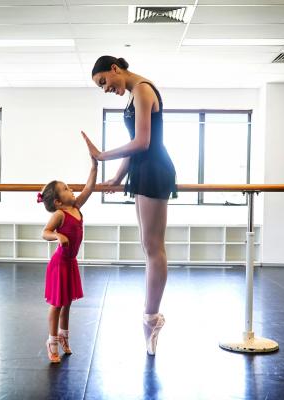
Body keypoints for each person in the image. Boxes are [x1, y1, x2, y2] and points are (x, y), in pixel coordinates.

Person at [82, 55, 177, 356]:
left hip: (154, 169)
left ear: (115, 69)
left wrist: (102, 154)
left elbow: (143, 143)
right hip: (142, 171)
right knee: (148, 246)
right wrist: (116, 177)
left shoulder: (144, 90)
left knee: (154, 247)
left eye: (104, 82)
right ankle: (151, 317)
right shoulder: (134, 94)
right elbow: (135, 145)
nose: (105, 88)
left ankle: (152, 317)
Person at [38, 149, 97, 363]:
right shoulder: (60, 214)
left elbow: (89, 189)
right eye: (65, 189)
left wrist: (94, 166)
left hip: (70, 263)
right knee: (57, 304)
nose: (70, 189)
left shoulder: (76, 207)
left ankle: (64, 336)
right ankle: (51, 341)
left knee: (68, 303)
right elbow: (44, 232)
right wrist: (57, 235)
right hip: (59, 264)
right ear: (58, 202)